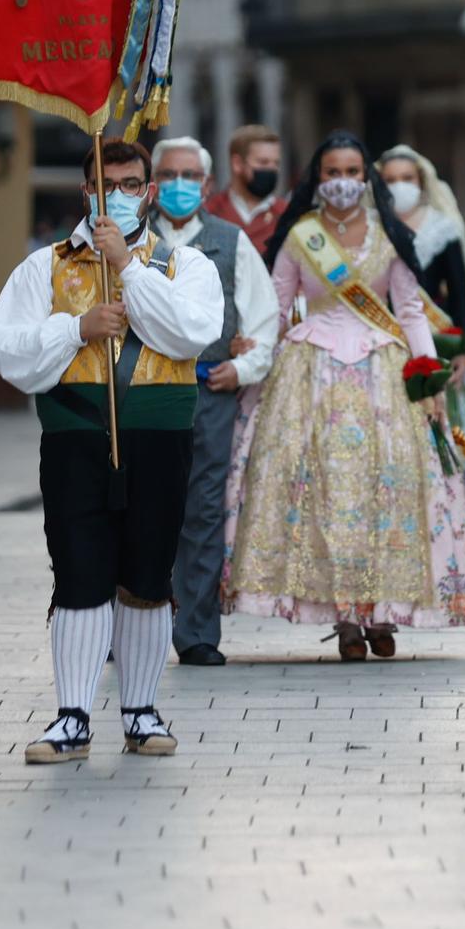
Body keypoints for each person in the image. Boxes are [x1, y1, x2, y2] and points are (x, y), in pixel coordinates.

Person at [0, 140, 223, 763]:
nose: (114, 192)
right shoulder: (45, 267)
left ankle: (141, 711)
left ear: (146, 191)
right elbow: (5, 349)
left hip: (159, 437)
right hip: (75, 439)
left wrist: (132, 270)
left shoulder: (185, 265)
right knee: (79, 573)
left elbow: (192, 332)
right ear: (85, 189)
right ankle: (71, 717)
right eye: (102, 182)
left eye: (127, 182)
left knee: (146, 575)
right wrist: (75, 328)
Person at [223, 131, 465, 659]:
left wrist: (426, 375)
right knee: (326, 495)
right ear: (317, 179)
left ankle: (384, 612)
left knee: (386, 492)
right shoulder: (302, 235)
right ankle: (346, 618)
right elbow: (278, 307)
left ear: (365, 177)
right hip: (310, 373)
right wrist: (253, 354)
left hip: (384, 373)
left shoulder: (388, 236)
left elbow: (410, 311)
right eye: (332, 173)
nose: (343, 182)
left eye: (352, 172)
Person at [149, 136, 280, 667]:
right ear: (154, 183)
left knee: (202, 513)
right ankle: (132, 625)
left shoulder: (231, 240)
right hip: (142, 395)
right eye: (170, 175)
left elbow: (263, 318)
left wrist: (242, 367)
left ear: (206, 185)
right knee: (139, 507)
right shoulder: (128, 240)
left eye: (191, 177)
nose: (181, 185)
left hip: (209, 393)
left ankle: (197, 631)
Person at [376, 144, 465, 540]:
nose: (400, 187)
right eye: (390, 180)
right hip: (381, 344)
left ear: (422, 182)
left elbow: (460, 290)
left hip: (435, 348)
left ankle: (452, 527)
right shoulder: (370, 226)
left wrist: (462, 348)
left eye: (407, 179)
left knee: (443, 434)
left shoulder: (440, 228)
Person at [204, 124, 290, 258]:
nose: (272, 170)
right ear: (237, 164)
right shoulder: (209, 212)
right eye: (263, 162)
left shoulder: (288, 214)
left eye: (276, 163)